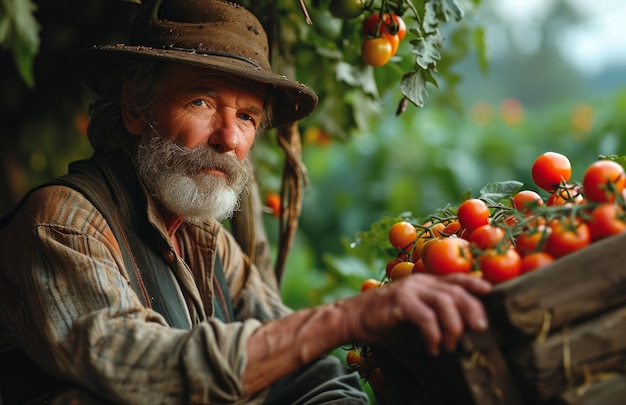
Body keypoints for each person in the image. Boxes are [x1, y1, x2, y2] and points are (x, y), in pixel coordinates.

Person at [0, 0, 492, 403]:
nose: (229, 138)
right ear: (134, 107)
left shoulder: (204, 238)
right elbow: (146, 371)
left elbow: (298, 367)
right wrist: (347, 318)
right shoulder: (66, 226)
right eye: (202, 101)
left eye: (249, 117)